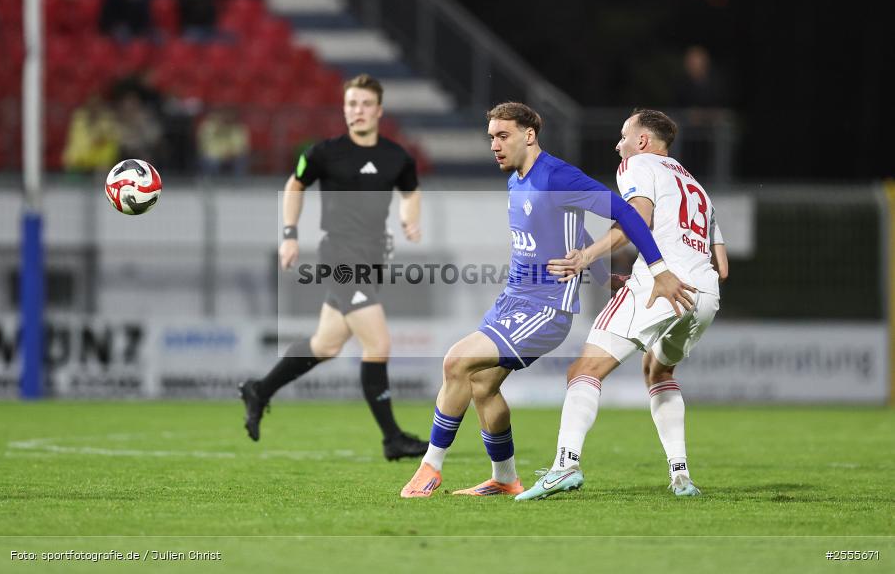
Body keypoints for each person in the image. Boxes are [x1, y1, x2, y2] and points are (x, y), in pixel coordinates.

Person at [400, 102, 696, 498]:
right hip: (512, 300)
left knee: (456, 360)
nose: (494, 145)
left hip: (545, 309)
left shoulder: (557, 176)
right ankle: (504, 479)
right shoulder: (517, 181)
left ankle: (429, 468)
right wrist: (603, 277)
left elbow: (626, 213)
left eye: (502, 136)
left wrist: (658, 269)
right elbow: (572, 236)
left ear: (529, 135)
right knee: (483, 385)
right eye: (491, 137)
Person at [515, 108, 728, 501]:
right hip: (705, 294)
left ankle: (565, 464)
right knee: (659, 371)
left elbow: (638, 218)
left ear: (643, 141)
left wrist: (587, 256)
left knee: (584, 369)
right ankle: (680, 475)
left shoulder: (636, 164)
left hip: (662, 285)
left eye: (623, 135)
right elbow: (723, 265)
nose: (618, 144)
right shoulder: (696, 185)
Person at [238, 74, 429, 461]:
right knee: (378, 343)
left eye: (363, 104)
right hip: (341, 258)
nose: (355, 111)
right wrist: (289, 234)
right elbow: (295, 186)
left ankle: (260, 389)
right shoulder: (324, 152)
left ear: (378, 110)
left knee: (326, 344)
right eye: (350, 104)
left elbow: (410, 192)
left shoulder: (397, 157)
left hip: (373, 258)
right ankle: (392, 438)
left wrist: (410, 218)